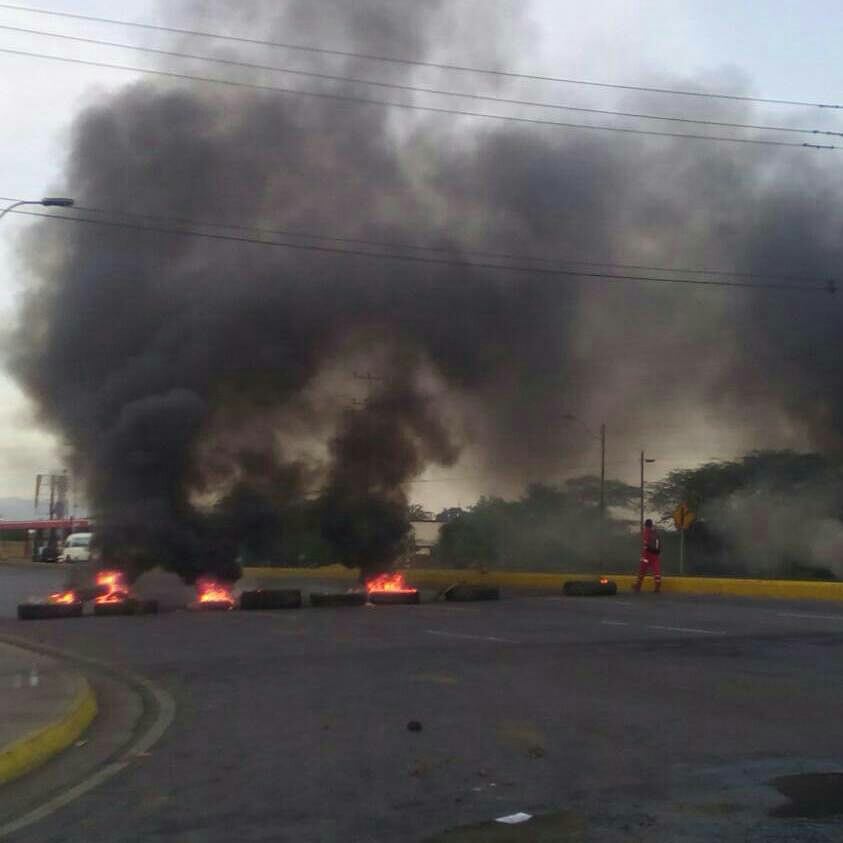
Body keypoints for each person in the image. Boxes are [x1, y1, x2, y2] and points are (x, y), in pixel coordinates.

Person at [634, 518, 661, 593]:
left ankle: (638, 585)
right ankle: (657, 585)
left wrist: (644, 554)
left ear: (646, 525)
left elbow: (645, 544)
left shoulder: (646, 531)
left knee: (642, 570)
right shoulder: (655, 532)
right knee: (656, 570)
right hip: (655, 555)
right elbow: (658, 543)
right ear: (651, 524)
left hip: (647, 555)